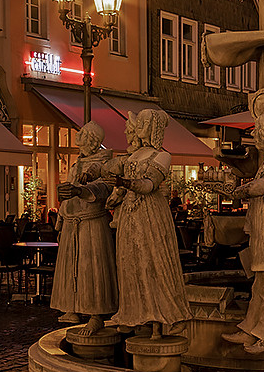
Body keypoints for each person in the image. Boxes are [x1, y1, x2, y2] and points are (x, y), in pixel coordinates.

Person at [216, 115, 264, 355]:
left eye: (258, 131)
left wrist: (240, 191)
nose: (254, 135)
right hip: (263, 235)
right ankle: (251, 329)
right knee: (260, 286)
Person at [109, 109, 190, 337]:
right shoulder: (132, 156)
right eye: (140, 122)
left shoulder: (162, 156)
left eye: (144, 123)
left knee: (154, 263)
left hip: (151, 215)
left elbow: (148, 185)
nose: (140, 126)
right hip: (129, 216)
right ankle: (134, 313)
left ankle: (161, 317)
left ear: (153, 128)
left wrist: (123, 182)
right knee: (130, 263)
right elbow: (120, 189)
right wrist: (114, 194)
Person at [51, 123, 119, 333]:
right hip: (73, 222)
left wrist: (80, 191)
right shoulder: (77, 162)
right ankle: (72, 306)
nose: (78, 137)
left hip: (92, 222)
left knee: (93, 270)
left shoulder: (105, 162)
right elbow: (67, 190)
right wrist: (62, 216)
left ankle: (95, 314)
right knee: (71, 267)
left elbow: (104, 188)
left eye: (81, 135)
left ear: (91, 140)